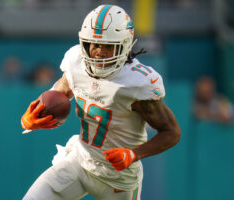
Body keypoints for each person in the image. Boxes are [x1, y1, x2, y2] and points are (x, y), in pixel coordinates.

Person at [21, 4, 181, 200]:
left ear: (124, 45)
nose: (99, 52)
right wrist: (34, 115)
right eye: (95, 44)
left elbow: (171, 132)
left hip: (119, 181)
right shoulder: (76, 62)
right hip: (80, 162)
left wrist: (133, 154)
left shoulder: (136, 84)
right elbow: (60, 92)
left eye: (108, 46)